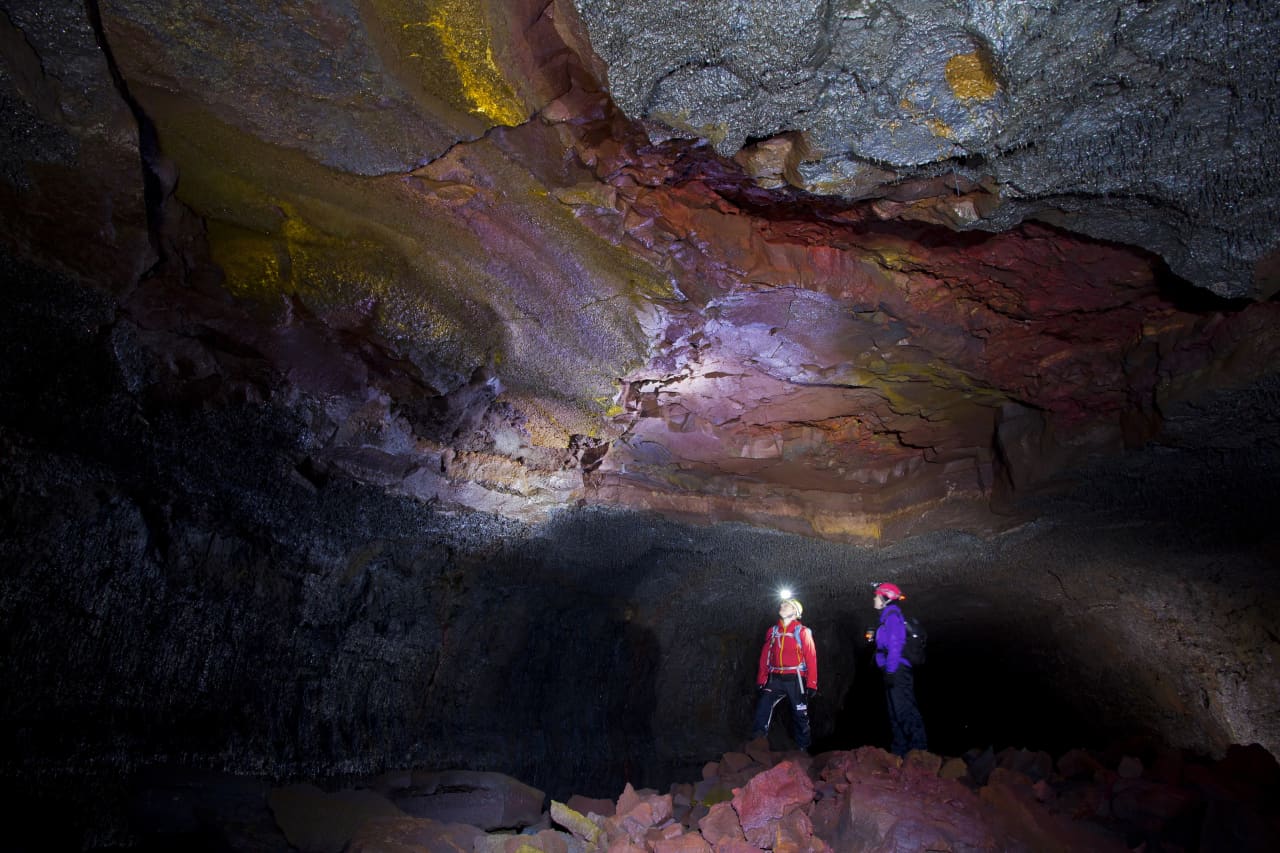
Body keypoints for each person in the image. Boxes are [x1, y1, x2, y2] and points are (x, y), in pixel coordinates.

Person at [750, 597, 818, 750]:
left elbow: (811, 657)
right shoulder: (773, 631)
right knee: (763, 707)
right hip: (775, 678)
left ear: (795, 611)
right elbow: (765, 656)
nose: (782, 605)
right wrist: (762, 679)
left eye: (786, 604)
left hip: (795, 679)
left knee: (800, 715)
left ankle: (803, 749)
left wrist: (812, 683)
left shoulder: (802, 632)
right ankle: (757, 744)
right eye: (782, 603)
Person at [873, 582, 927, 756]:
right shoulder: (886, 618)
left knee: (904, 710)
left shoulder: (893, 617)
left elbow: (896, 645)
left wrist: (890, 671)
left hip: (898, 670)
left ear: (885, 599)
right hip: (892, 669)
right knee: (894, 712)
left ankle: (919, 751)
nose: (874, 599)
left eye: (877, 596)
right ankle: (900, 753)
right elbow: (884, 648)